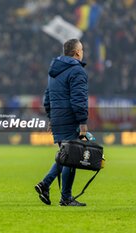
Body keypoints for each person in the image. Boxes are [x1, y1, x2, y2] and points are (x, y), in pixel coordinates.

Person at [35, 39, 89, 206]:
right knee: (71, 158)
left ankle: (46, 185)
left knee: (65, 156)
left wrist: (51, 118)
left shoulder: (54, 70)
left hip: (58, 118)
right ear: (77, 52)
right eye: (82, 49)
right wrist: (82, 122)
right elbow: (78, 99)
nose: (83, 52)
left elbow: (47, 96)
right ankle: (64, 197)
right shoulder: (76, 70)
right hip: (70, 118)